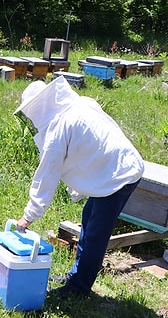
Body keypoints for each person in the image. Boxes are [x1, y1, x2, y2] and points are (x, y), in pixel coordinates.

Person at [13, 76, 144, 298]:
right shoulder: (81, 104)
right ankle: (77, 277)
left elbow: (46, 178)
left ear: (38, 108)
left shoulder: (58, 129)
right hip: (120, 167)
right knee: (89, 218)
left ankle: (79, 288)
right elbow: (88, 148)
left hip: (118, 175)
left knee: (95, 233)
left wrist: (28, 217)